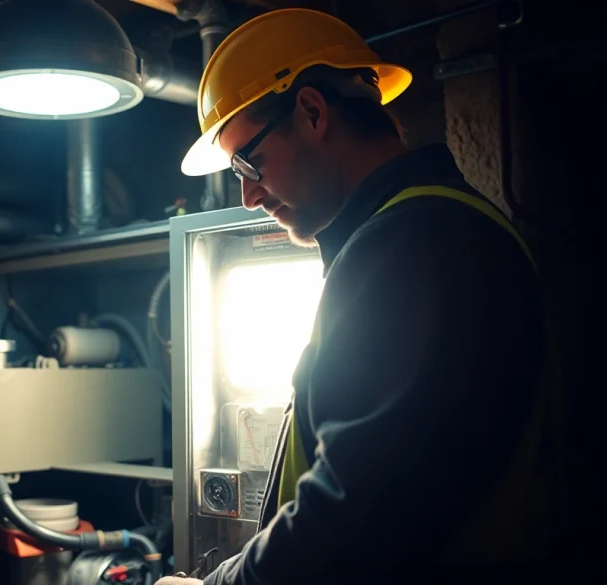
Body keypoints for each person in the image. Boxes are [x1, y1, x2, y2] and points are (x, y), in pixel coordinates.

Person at [159, 8, 563, 585]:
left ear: (313, 113)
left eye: (249, 161)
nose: (247, 195)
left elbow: (357, 516)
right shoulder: (406, 238)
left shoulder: (420, 244)